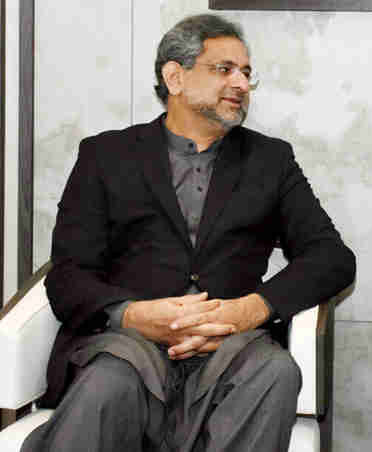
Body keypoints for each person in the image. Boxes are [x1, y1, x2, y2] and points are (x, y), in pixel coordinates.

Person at [23, 14, 355, 452]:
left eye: (247, 73)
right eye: (224, 69)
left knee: (276, 372)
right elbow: (67, 275)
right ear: (174, 77)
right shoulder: (106, 155)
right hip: (127, 344)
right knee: (108, 383)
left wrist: (250, 310)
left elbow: (331, 257)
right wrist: (133, 315)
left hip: (233, 348)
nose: (240, 83)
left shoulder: (270, 161)